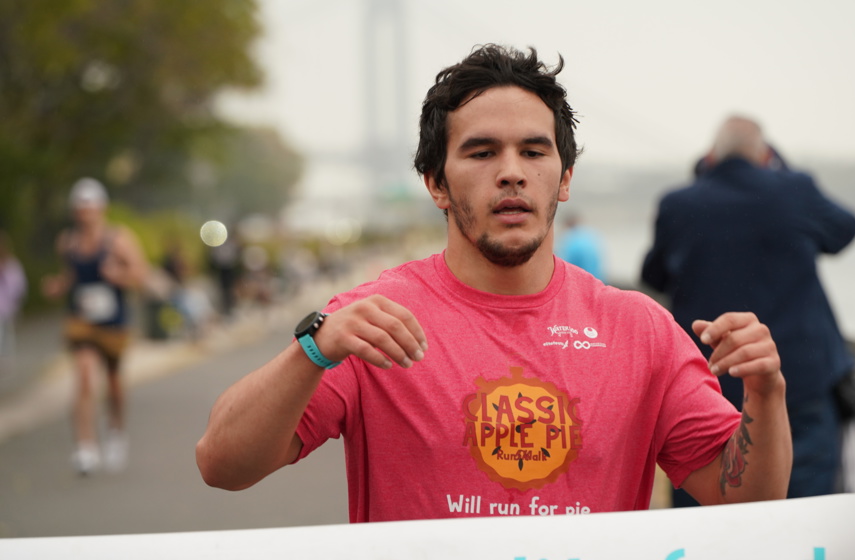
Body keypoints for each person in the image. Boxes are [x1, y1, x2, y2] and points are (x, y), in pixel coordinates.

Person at [196, 46, 792, 523]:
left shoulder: (638, 330)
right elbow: (222, 465)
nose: (511, 172)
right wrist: (313, 348)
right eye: (481, 153)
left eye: (534, 151)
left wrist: (765, 394)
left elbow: (744, 499)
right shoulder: (374, 320)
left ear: (564, 178)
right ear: (436, 183)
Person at [641, 115, 855, 503]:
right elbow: (845, 230)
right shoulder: (794, 190)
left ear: (710, 156)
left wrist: (701, 176)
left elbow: (653, 275)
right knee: (806, 515)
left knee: (707, 519)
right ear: (765, 155)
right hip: (800, 382)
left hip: (705, 389)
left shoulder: (678, 204)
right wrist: (782, 168)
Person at [42, 178, 149, 474]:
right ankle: (85, 447)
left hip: (113, 323)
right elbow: (70, 275)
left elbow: (141, 274)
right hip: (81, 322)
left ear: (102, 208)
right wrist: (57, 286)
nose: (85, 214)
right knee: (85, 376)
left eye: (90, 208)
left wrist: (118, 275)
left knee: (113, 384)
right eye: (80, 209)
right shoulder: (67, 242)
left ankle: (116, 431)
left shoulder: (118, 239)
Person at [0, 231, 27, 374]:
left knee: (6, 332)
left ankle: (5, 356)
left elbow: (18, 285)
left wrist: (16, 301)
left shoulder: (11, 264)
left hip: (7, 305)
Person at [555, 213, 605, 282]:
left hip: (581, 281)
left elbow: (564, 265)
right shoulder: (590, 235)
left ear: (567, 224)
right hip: (597, 280)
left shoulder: (570, 240)